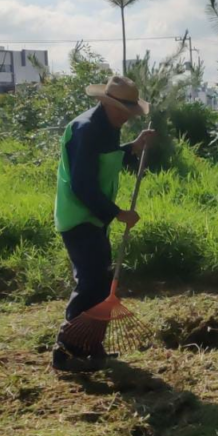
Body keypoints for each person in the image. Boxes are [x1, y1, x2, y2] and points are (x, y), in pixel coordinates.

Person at [51, 76, 155, 372]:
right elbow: (82, 184)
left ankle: (89, 344)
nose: (127, 117)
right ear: (106, 103)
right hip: (78, 216)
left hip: (94, 217)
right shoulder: (85, 130)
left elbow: (105, 159)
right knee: (92, 282)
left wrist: (132, 148)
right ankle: (66, 350)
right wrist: (117, 213)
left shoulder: (107, 127)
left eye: (130, 112)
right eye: (123, 110)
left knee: (101, 280)